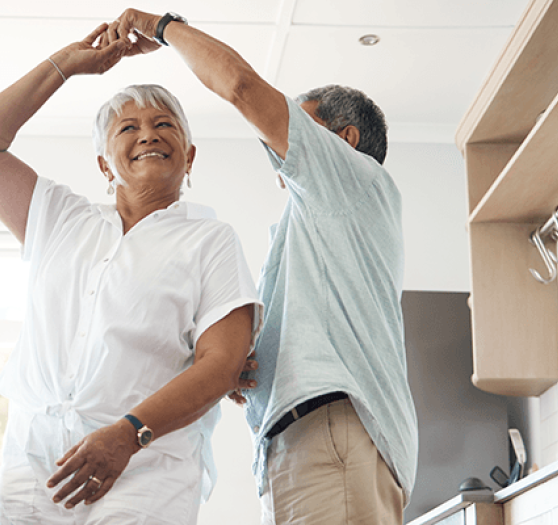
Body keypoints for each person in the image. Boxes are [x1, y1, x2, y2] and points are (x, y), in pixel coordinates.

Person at [104, 10, 419, 525]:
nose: (276, 148)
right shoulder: (318, 225)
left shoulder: (353, 180)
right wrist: (250, 362)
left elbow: (243, 88)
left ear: (344, 141)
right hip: (307, 439)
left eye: (300, 125)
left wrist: (162, 26)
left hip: (330, 433)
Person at [0, 23, 263, 525]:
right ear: (104, 164)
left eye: (166, 125)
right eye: (128, 128)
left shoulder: (210, 240)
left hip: (147, 470)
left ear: (189, 157)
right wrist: (70, 65)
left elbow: (222, 363)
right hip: (36, 468)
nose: (148, 134)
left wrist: (128, 434)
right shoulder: (58, 217)